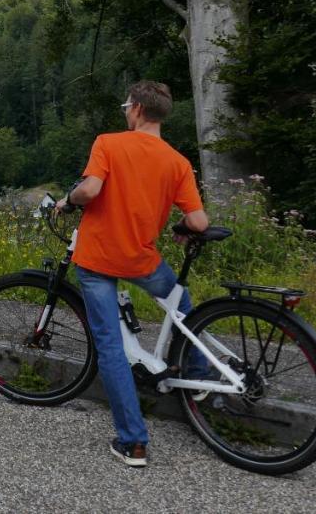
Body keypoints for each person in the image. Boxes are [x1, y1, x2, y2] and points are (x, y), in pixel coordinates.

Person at [55, 80, 210, 468]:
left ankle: (134, 442)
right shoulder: (177, 162)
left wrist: (69, 198)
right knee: (184, 305)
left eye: (127, 105)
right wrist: (181, 228)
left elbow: (90, 191)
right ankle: (197, 374)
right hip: (142, 260)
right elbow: (198, 220)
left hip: (97, 260)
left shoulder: (108, 143)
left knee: (110, 347)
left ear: (139, 109)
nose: (125, 111)